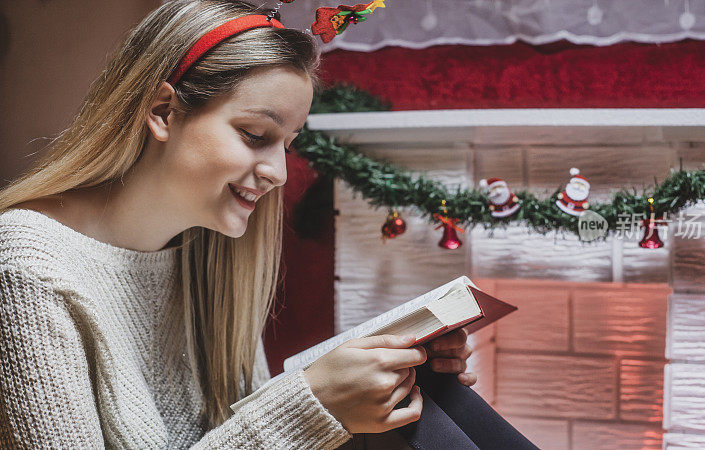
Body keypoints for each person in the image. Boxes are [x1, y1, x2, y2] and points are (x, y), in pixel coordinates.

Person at [0, 1, 479, 448]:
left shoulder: (212, 258)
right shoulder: (26, 270)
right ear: (163, 112)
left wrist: (384, 390)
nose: (280, 174)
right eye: (255, 136)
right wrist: (310, 409)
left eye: (287, 144)